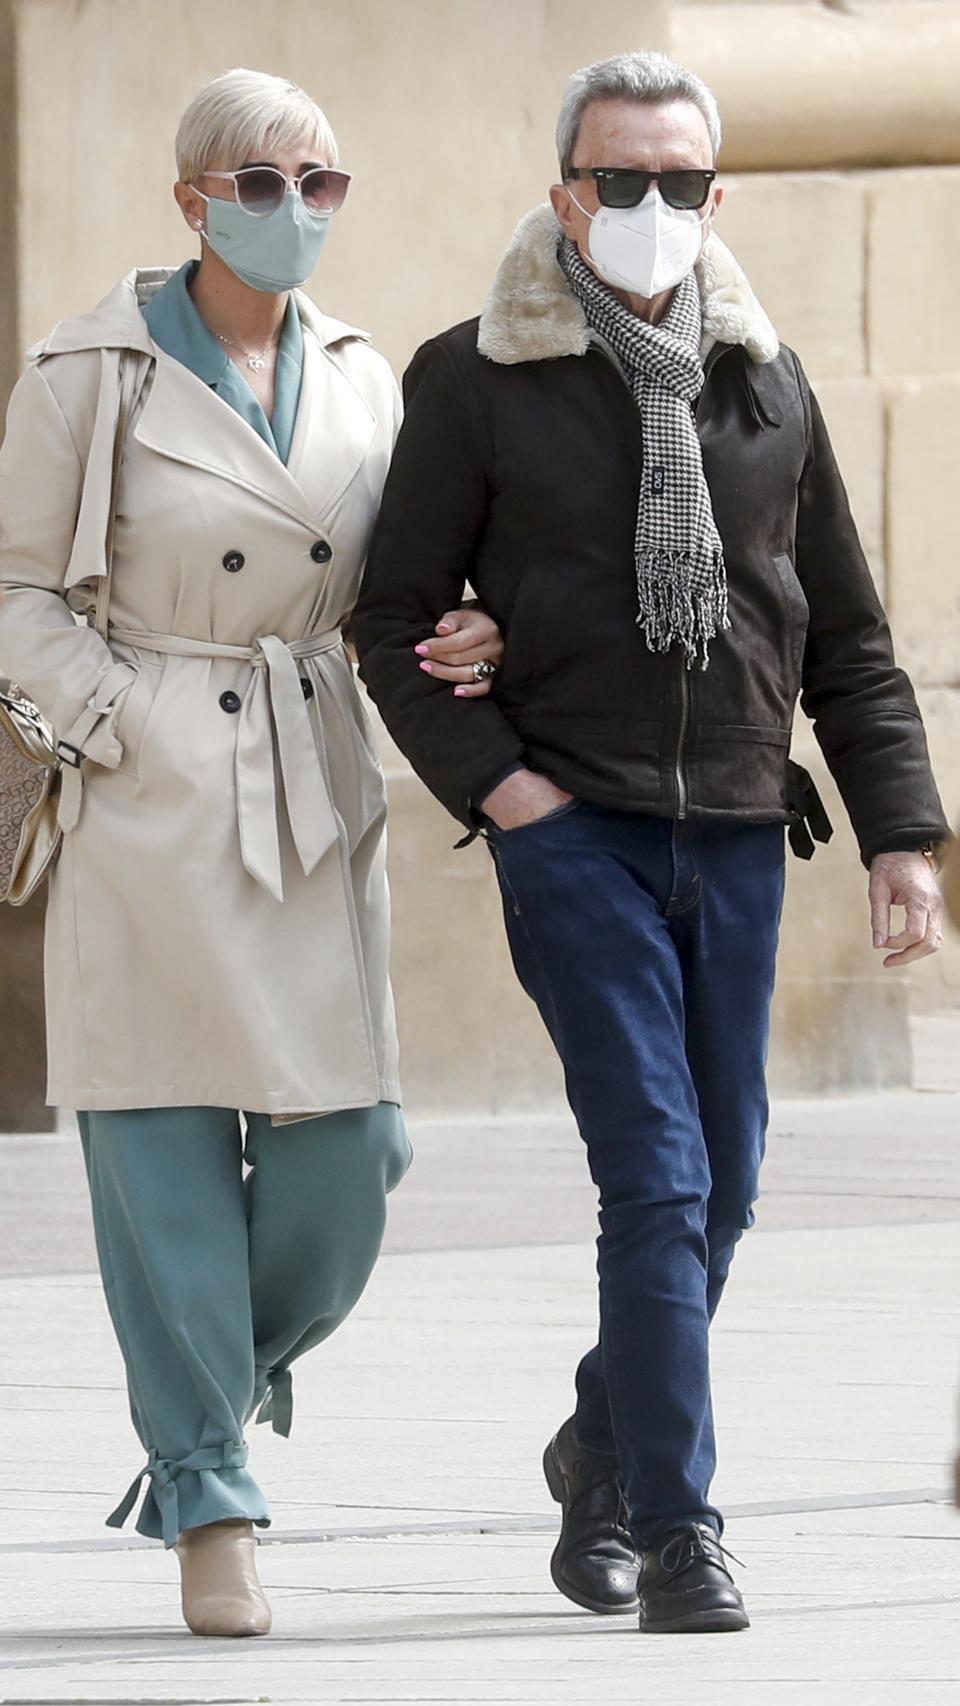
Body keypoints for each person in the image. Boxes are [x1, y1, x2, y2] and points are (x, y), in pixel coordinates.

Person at [353, 50, 949, 1634]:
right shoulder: (474, 379)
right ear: (565, 194)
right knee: (660, 1176)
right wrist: (505, 791)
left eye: (682, 183)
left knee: (732, 1180)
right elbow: (393, 613)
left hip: (743, 833)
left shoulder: (769, 383)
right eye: (621, 182)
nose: (654, 209)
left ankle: (596, 1446)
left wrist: (905, 836)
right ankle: (683, 1527)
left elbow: (851, 640)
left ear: (717, 192)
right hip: (575, 834)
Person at [0, 67, 504, 1639]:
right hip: (148, 789)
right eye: (266, 181)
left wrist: (465, 634)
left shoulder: (366, 375)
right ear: (193, 197)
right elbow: (15, 592)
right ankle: (211, 1480)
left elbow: (399, 585)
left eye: (324, 183)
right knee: (157, 1153)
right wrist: (113, 722)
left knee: (352, 1151)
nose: (299, 211)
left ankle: (227, 1372)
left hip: (309, 780)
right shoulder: (87, 369)